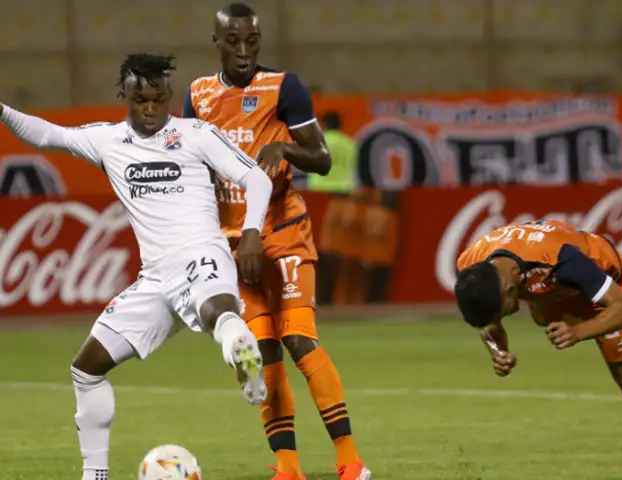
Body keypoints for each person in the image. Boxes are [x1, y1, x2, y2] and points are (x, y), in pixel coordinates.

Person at [0, 53, 274, 480]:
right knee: (86, 368)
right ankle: (95, 475)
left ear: (169, 97)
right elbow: (47, 135)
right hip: (154, 278)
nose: (149, 109)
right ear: (123, 96)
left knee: (216, 308)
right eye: (139, 99)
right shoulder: (107, 141)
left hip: (202, 253)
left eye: (158, 99)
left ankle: (241, 349)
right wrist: (2, 110)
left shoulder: (196, 133)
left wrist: (253, 231)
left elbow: (257, 179)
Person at [182, 4, 370, 480]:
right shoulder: (198, 95)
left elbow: (323, 159)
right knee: (262, 351)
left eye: (252, 41)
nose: (244, 52)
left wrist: (286, 147)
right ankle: (288, 468)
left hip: (283, 234)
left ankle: (350, 462)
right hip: (231, 246)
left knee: (300, 340)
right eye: (234, 42)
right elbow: (193, 172)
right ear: (217, 41)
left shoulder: (284, 87)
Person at [454, 219, 622, 419]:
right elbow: (487, 323)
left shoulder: (562, 260)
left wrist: (577, 332)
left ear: (509, 289)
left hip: (600, 277)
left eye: (501, 314)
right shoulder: (471, 267)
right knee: (543, 317)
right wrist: (498, 351)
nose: (499, 320)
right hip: (552, 287)